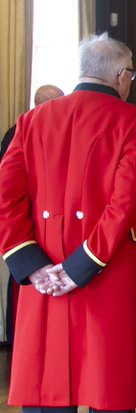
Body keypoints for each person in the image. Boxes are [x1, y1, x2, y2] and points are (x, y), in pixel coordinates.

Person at [0, 35, 136, 413]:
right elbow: (125, 203)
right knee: (110, 401)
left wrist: (33, 267)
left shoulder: (31, 122)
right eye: (131, 72)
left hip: (42, 283)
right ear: (120, 76)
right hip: (106, 281)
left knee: (47, 398)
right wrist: (81, 267)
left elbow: (7, 198)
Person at [1, 83, 65, 346]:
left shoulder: (59, 131)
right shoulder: (19, 132)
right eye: (56, 103)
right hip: (26, 225)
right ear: (39, 104)